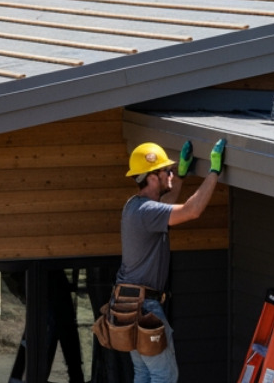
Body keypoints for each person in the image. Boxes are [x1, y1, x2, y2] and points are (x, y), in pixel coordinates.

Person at [116, 138, 225, 383]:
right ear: (153, 176)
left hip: (127, 306)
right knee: (164, 376)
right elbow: (191, 211)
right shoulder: (147, 212)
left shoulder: (135, 207)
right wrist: (214, 171)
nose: (171, 174)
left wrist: (182, 176)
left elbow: (164, 206)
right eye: (168, 171)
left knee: (144, 374)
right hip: (145, 309)